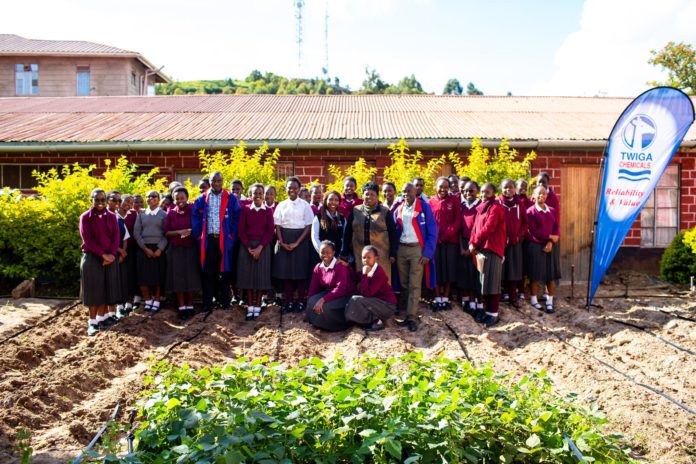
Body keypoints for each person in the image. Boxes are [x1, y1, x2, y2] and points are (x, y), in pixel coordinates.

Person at [192, 171, 241, 312]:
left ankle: (225, 301)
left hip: (224, 240)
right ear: (210, 182)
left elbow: (237, 217)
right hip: (208, 240)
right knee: (209, 272)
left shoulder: (230, 198)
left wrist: (231, 235)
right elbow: (195, 217)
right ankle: (208, 302)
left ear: (222, 181)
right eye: (214, 181)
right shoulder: (202, 198)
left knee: (225, 272)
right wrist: (198, 235)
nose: (216, 183)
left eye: (219, 181)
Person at [394, 182, 437, 332]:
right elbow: (394, 230)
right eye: (404, 192)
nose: (407, 194)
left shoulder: (424, 207)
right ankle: (405, 313)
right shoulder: (399, 208)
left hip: (417, 250)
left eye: (410, 192)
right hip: (402, 249)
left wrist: (428, 253)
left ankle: (412, 316)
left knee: (414, 283)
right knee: (404, 283)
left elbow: (433, 231)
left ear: (415, 192)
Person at [80, 188, 122, 336]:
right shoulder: (86, 217)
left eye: (102, 200)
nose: (100, 203)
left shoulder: (111, 216)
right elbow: (88, 240)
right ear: (91, 200)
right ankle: (92, 323)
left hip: (109, 257)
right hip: (93, 258)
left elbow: (116, 237)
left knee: (106, 289)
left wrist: (110, 255)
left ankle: (102, 318)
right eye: (96, 200)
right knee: (93, 291)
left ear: (106, 201)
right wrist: (103, 255)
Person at [341, 182, 397, 283]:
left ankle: (382, 299)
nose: (369, 197)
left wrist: (393, 253)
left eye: (372, 194)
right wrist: (344, 250)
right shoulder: (355, 211)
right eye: (366, 194)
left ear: (377, 196)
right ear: (362, 196)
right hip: (360, 254)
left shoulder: (385, 212)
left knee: (381, 281)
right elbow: (347, 232)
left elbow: (393, 233)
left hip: (381, 254)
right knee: (363, 280)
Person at [273, 176, 315, 314]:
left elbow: (308, 226)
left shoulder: (305, 205)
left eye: (295, 187)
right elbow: (277, 225)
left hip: (301, 240)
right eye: (289, 187)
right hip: (284, 239)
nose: (292, 190)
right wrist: (281, 242)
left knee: (300, 272)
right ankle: (289, 301)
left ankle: (300, 301)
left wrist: (297, 242)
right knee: (286, 272)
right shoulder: (281, 205)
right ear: (286, 189)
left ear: (299, 189)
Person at [469, 183, 506, 327]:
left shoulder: (496, 208)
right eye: (482, 192)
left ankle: (493, 314)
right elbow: (475, 227)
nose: (484, 195)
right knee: (484, 283)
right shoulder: (481, 208)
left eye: (487, 192)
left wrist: (475, 242)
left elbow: (488, 228)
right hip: (482, 249)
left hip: (493, 249)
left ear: (494, 193)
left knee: (493, 283)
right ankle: (486, 311)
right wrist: (472, 242)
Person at [237, 183, 275, 321]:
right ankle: (250, 307)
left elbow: (270, 231)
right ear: (250, 195)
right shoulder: (245, 209)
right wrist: (249, 247)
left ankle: (257, 305)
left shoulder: (268, 211)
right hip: (247, 247)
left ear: (263, 195)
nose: (258, 196)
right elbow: (241, 230)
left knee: (260, 277)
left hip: (262, 247)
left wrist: (260, 247)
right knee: (248, 277)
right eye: (255, 193)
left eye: (260, 193)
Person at [164, 187, 201, 320]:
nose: (180, 201)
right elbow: (167, 232)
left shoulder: (193, 210)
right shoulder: (171, 213)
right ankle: (181, 306)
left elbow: (199, 225)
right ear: (174, 199)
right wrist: (179, 232)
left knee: (190, 276)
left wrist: (190, 231)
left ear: (187, 197)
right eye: (177, 198)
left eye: (182, 198)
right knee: (178, 277)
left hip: (191, 248)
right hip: (176, 249)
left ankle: (190, 305)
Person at [306, 240, 357, 331]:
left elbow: (340, 289)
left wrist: (322, 300)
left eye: (328, 252)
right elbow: (313, 288)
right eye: (322, 252)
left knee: (325, 307)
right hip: (331, 293)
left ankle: (335, 326)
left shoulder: (340, 266)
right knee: (312, 301)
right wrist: (309, 304)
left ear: (333, 253)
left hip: (345, 295)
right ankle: (318, 323)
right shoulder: (318, 267)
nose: (325, 255)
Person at [525, 185, 561, 313]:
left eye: (544, 194)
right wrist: (549, 237)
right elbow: (533, 231)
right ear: (533, 195)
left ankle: (549, 302)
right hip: (535, 246)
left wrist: (551, 241)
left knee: (550, 275)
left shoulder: (552, 211)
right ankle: (534, 301)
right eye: (539, 193)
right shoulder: (530, 212)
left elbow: (556, 227)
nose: (542, 196)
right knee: (535, 275)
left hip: (551, 246)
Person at [345, 245, 397, 331]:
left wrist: (364, 275)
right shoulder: (367, 269)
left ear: (376, 258)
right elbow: (354, 277)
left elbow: (367, 294)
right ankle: (368, 320)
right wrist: (347, 266)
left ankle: (376, 321)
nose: (366, 260)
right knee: (354, 300)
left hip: (387, 306)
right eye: (364, 257)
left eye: (369, 257)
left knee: (356, 300)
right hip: (375, 303)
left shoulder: (379, 273)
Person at [429, 177, 461, 310]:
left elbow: (457, 221)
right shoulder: (430, 202)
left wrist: (446, 236)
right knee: (436, 269)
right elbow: (429, 222)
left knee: (449, 269)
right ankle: (437, 298)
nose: (443, 189)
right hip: (435, 242)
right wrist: (436, 237)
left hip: (450, 241)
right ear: (436, 187)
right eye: (440, 187)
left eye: (446, 187)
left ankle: (446, 298)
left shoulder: (454, 200)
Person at [133, 190, 168, 312]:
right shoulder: (141, 214)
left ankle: (157, 300)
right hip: (144, 248)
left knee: (158, 277)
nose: (151, 198)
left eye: (154, 196)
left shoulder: (164, 215)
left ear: (158, 199)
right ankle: (148, 300)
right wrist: (145, 248)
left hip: (159, 249)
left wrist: (160, 249)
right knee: (143, 277)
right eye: (148, 196)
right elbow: (136, 233)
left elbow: (166, 233)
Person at [499, 179, 528, 308]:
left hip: (515, 242)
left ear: (514, 189)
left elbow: (525, 223)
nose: (508, 190)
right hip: (501, 242)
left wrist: (518, 236)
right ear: (501, 189)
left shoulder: (519, 204)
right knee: (502, 268)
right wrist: (502, 237)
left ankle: (512, 295)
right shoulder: (498, 203)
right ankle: (502, 293)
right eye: (505, 188)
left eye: (510, 187)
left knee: (513, 268)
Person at [458, 180, 481, 314]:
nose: (468, 193)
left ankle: (476, 302)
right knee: (465, 274)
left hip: (476, 245)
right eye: (466, 191)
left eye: (471, 190)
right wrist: (462, 248)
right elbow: (460, 230)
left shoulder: (480, 206)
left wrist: (473, 248)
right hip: (464, 244)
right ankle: (468, 302)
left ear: (477, 191)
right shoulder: (461, 206)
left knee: (475, 276)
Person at [106, 190, 130, 320]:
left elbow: (125, 237)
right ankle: (109, 313)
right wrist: (119, 250)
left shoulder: (118, 218)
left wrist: (122, 254)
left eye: (119, 201)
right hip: (108, 256)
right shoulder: (103, 216)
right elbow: (105, 240)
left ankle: (120, 308)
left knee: (120, 283)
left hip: (119, 258)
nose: (117, 203)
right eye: (114, 200)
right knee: (109, 285)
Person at [311, 190, 346, 259]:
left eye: (336, 200)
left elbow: (344, 238)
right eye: (330, 199)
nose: (333, 202)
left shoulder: (342, 219)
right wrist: (323, 253)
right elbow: (315, 237)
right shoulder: (318, 217)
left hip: (337, 257)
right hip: (321, 256)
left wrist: (339, 254)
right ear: (325, 201)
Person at [118, 194, 138, 314]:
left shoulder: (134, 215)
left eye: (131, 202)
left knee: (130, 276)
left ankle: (129, 302)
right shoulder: (113, 215)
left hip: (131, 250)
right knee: (118, 276)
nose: (128, 204)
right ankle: (119, 304)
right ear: (120, 202)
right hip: (116, 250)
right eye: (126, 201)